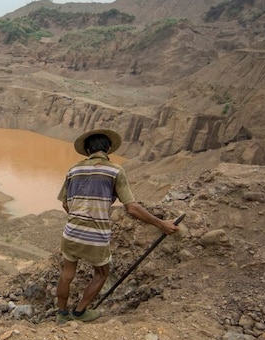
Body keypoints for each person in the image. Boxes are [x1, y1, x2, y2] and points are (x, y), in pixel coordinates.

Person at [56, 128, 178, 324]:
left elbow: (65, 203)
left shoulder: (74, 170)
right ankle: (79, 313)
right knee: (102, 273)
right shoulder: (115, 170)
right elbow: (131, 208)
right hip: (96, 235)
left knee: (67, 273)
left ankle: (61, 315)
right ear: (109, 148)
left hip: (71, 232)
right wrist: (161, 223)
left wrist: (79, 216)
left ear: (87, 150)